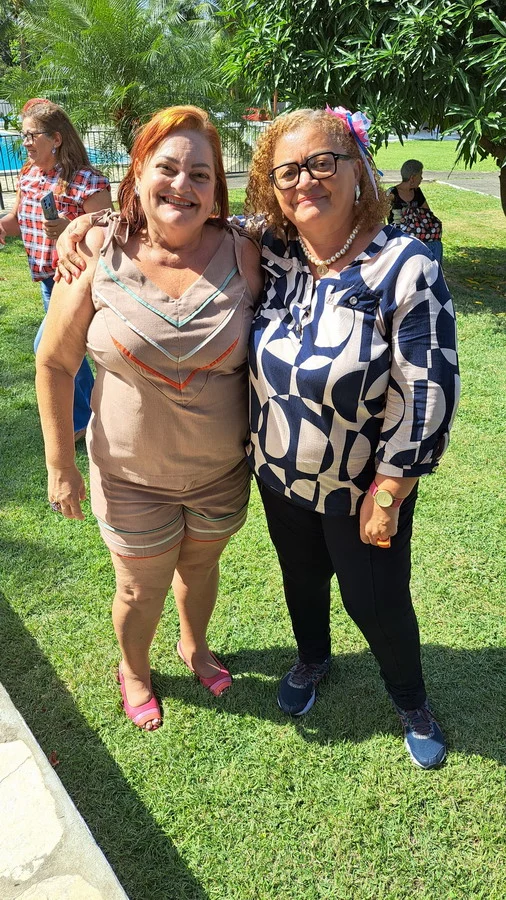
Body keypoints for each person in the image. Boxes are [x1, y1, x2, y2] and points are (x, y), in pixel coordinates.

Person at [55, 105, 460, 769]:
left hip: (361, 487)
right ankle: (312, 659)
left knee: (375, 600)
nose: (306, 181)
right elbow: (177, 213)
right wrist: (95, 221)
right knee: (302, 581)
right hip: (277, 476)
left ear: (358, 169)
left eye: (323, 163)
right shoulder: (274, 249)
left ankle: (410, 699)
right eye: (288, 171)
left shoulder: (403, 265)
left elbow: (428, 390)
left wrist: (391, 490)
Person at [35, 105, 263, 730]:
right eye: (167, 168)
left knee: (201, 568)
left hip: (221, 473)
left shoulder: (246, 252)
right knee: (140, 587)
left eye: (200, 174)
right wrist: (60, 465)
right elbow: (55, 363)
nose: (182, 185)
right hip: (130, 477)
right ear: (137, 173)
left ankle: (194, 646)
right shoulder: (95, 252)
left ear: (216, 189)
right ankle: (134, 668)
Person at [0, 99, 111, 440]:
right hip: (47, 281)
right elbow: (18, 220)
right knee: (69, 349)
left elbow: (109, 233)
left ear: (56, 139)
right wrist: (2, 226)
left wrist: (70, 227)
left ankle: (81, 421)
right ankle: (93, 416)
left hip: (77, 279)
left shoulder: (87, 181)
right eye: (24, 135)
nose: (26, 142)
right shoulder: (29, 175)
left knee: (48, 346)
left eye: (31, 135)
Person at [387, 158, 443, 264]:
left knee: (435, 242)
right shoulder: (392, 193)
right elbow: (383, 216)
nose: (421, 178)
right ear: (412, 178)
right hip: (399, 236)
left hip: (417, 233)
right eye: (420, 175)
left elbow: (427, 213)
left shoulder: (417, 192)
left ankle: (432, 267)